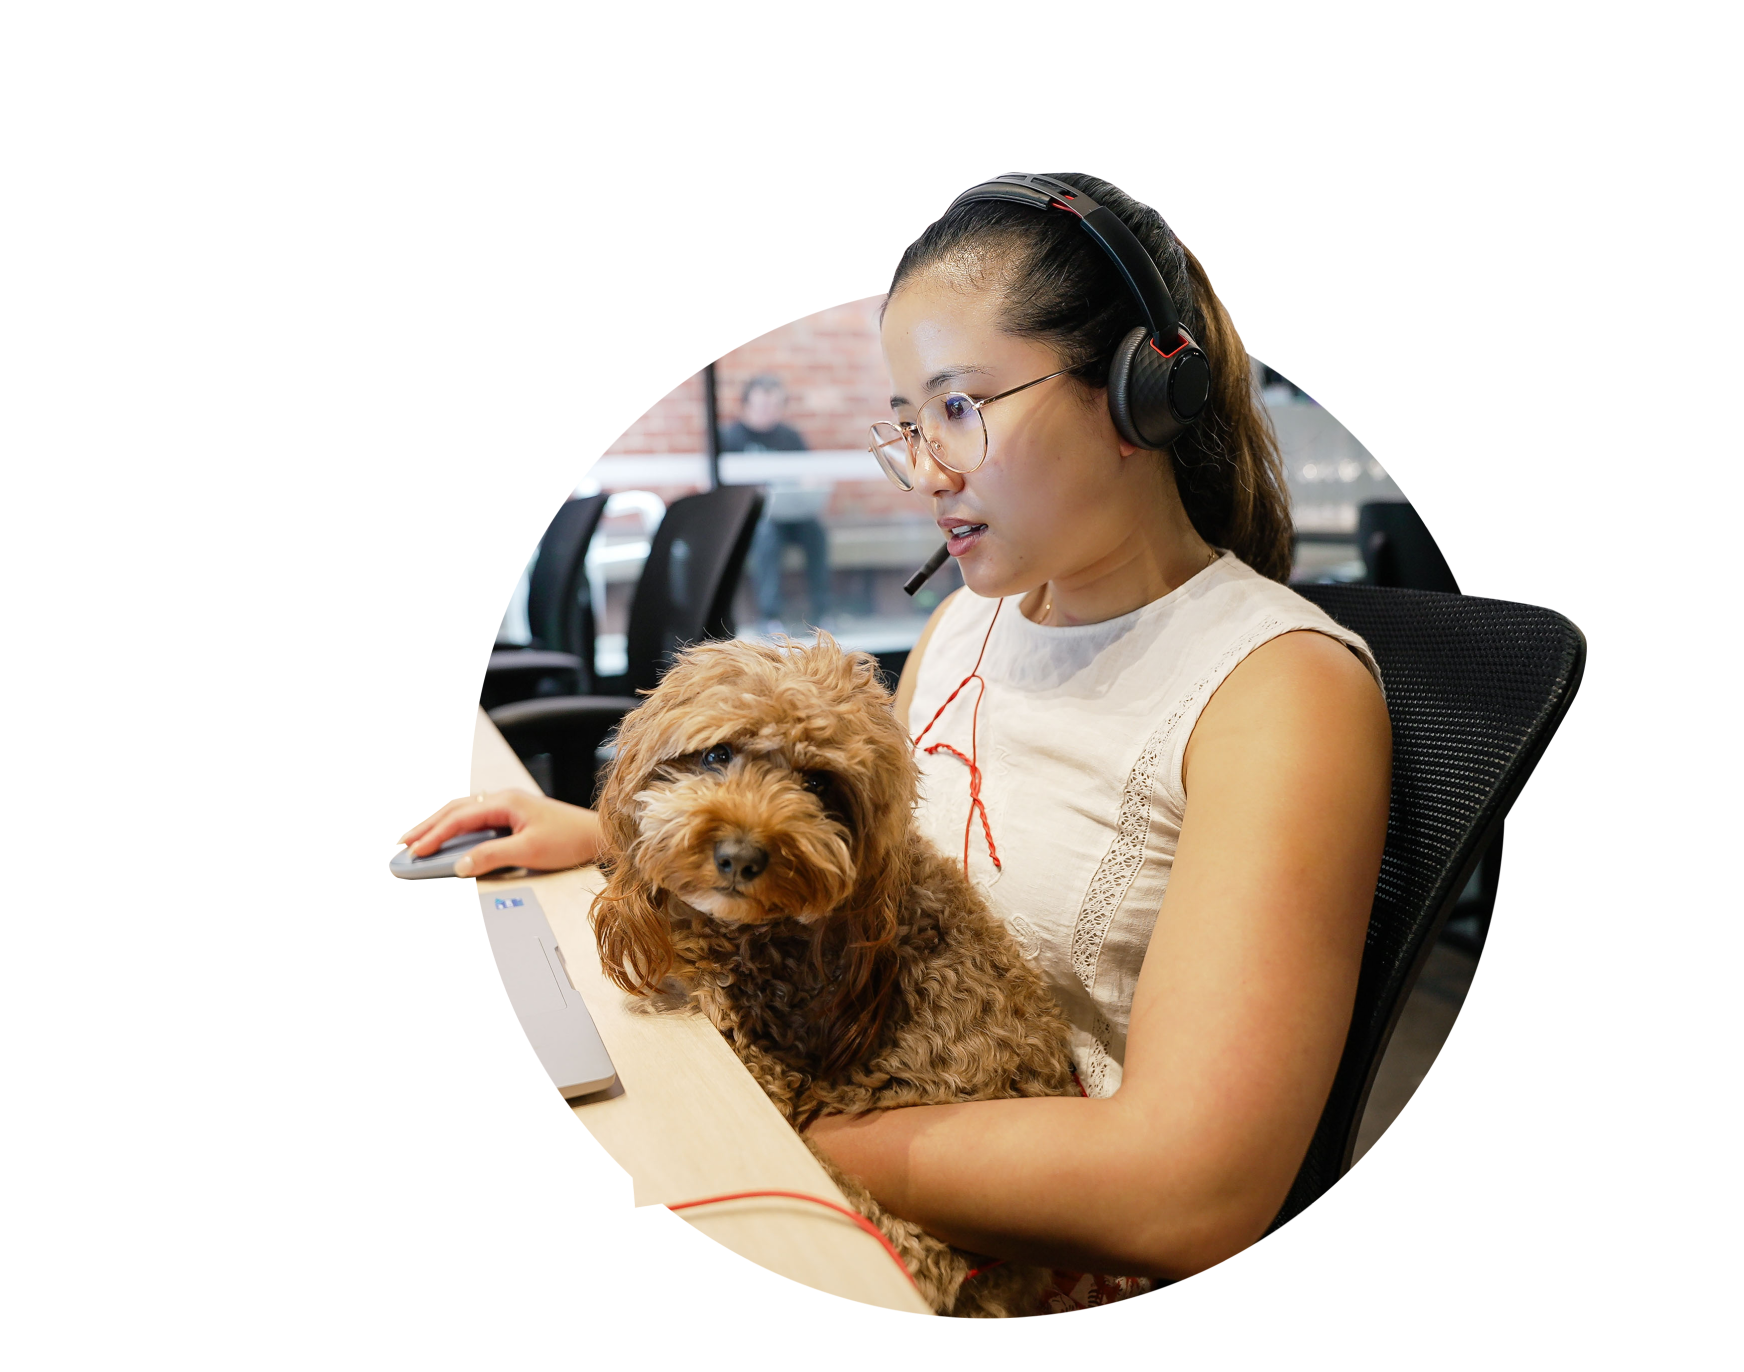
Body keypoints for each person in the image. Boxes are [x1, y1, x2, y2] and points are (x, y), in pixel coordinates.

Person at [399, 172, 1389, 1302]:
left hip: (1044, 1256)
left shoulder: (1276, 690)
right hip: (861, 1111)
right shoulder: (969, 624)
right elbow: (884, 881)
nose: (924, 469)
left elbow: (1182, 1190)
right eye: (909, 424)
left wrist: (769, 1125)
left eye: (959, 409)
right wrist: (631, 839)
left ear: (1138, 395)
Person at [721, 374, 832, 631]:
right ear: (746, 405)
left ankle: (823, 613)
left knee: (816, 532)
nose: (768, 412)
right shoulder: (730, 438)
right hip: (753, 521)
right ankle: (770, 617)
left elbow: (808, 474)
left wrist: (811, 486)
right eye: (762, 406)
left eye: (774, 406)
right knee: (765, 535)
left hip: (791, 515)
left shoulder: (790, 437)